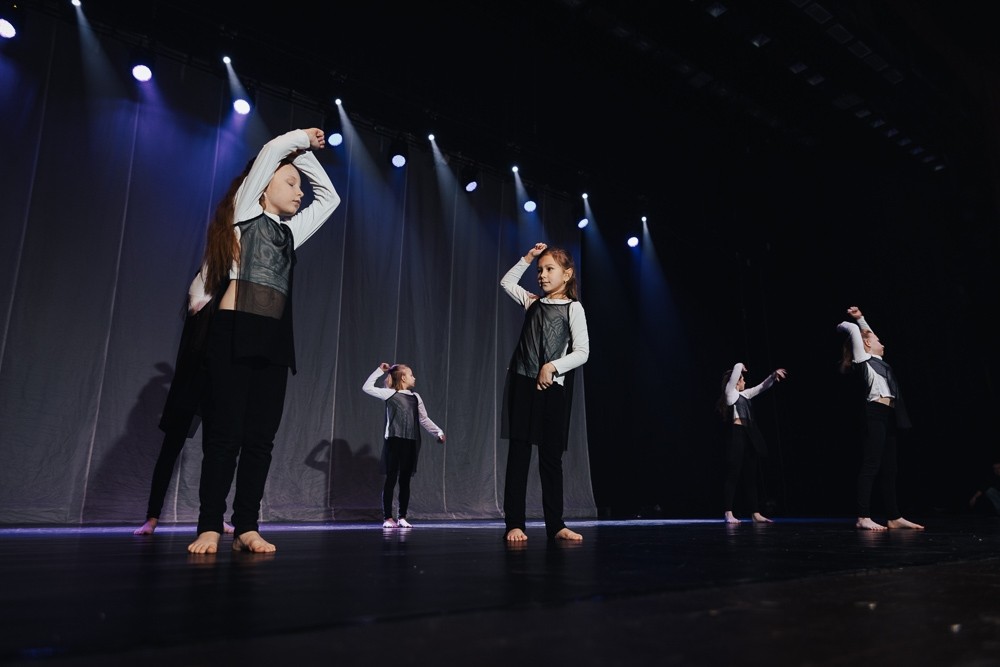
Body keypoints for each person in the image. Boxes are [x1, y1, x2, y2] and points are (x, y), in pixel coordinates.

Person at [186, 128, 341, 554]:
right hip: (234, 332)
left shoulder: (291, 233)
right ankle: (209, 526)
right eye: (289, 183)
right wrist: (300, 139)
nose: (299, 192)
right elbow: (272, 150)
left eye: (298, 185)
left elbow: (329, 198)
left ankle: (247, 526)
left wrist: (303, 157)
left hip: (274, 340)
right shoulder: (243, 215)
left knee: (260, 440)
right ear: (263, 184)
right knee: (224, 437)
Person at [499, 242, 590, 543]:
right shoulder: (532, 302)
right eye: (540, 270)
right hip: (523, 385)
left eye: (550, 269)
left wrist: (551, 366)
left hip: (551, 389)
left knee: (551, 459)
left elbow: (582, 352)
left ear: (567, 274)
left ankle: (556, 524)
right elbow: (507, 283)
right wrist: (528, 258)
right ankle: (515, 523)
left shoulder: (573, 308)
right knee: (519, 456)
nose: (542, 275)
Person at [134, 291, 234, 536]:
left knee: (215, 454)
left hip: (215, 384)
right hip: (191, 382)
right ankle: (152, 517)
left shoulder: (229, 293)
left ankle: (214, 516)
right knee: (170, 450)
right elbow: (195, 307)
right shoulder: (203, 288)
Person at [837, 306, 924, 531]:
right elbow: (856, 333)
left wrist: (861, 319)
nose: (882, 343)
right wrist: (851, 324)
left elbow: (868, 336)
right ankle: (863, 516)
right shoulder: (863, 361)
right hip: (873, 414)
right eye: (877, 340)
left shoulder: (880, 362)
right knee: (871, 464)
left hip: (889, 415)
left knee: (890, 469)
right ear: (866, 344)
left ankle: (894, 516)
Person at [362, 362, 445, 529]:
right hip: (394, 440)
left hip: (410, 441)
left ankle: (402, 516)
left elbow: (423, 419)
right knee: (391, 478)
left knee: (405, 480)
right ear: (403, 378)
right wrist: (379, 370)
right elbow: (367, 388)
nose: (414, 377)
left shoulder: (416, 397)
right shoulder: (390, 394)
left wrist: (438, 431)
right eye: (411, 375)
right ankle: (388, 518)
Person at [716, 362, 787, 524]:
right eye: (742, 380)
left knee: (751, 475)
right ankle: (728, 513)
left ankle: (755, 513)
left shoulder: (745, 395)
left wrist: (773, 376)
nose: (745, 382)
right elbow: (735, 374)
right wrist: (739, 365)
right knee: (733, 474)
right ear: (736, 382)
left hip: (749, 435)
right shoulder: (730, 393)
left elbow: (761, 387)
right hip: (736, 435)